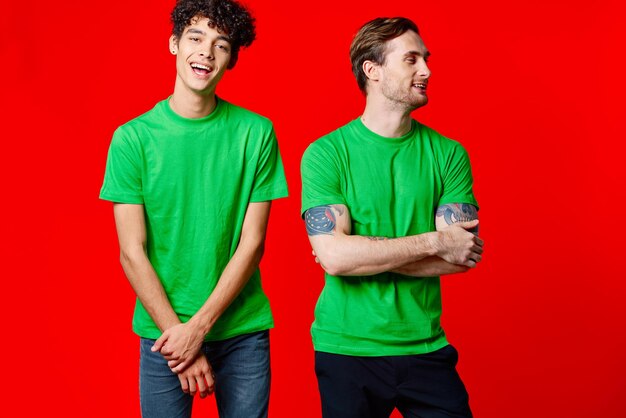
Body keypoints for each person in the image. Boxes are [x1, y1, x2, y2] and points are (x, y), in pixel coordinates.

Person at [99, 1, 288, 416]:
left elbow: (252, 245)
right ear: (174, 44)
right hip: (163, 332)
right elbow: (132, 251)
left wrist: (198, 329)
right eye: (196, 38)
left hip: (241, 331)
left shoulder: (256, 133)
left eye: (221, 45)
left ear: (231, 60)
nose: (206, 51)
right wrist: (179, 337)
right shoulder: (132, 139)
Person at [301, 17, 483, 418]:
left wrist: (360, 255)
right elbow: (335, 258)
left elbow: (463, 255)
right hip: (346, 347)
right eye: (412, 60)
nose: (427, 70)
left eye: (426, 59)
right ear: (373, 70)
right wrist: (435, 241)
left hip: (425, 345)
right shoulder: (325, 154)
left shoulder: (449, 154)